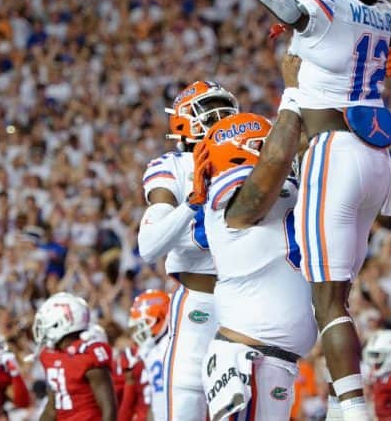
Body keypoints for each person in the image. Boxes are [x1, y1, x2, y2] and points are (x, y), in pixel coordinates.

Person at [162, 0, 391, 421]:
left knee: (330, 303)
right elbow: (345, 25)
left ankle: (354, 413)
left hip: (332, 150)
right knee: (337, 290)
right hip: (377, 160)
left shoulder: (324, 10)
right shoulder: (384, 17)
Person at [190, 59, 315, 420]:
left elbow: (308, 144)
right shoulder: (230, 200)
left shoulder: (281, 187)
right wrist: (292, 92)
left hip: (271, 364)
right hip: (246, 364)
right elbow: (276, 157)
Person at [137, 80, 239, 420]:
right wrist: (193, 203)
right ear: (183, 121)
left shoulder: (251, 157)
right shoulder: (174, 166)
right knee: (184, 408)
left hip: (249, 300)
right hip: (200, 300)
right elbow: (149, 244)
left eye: (225, 109)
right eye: (210, 110)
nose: (221, 117)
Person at [36, 292, 117, 421]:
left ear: (63, 322)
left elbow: (109, 409)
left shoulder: (87, 354)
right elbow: (52, 407)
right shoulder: (50, 356)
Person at [121, 289, 173, 421]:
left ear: (158, 319)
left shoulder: (172, 346)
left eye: (142, 325)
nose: (138, 332)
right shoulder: (151, 351)